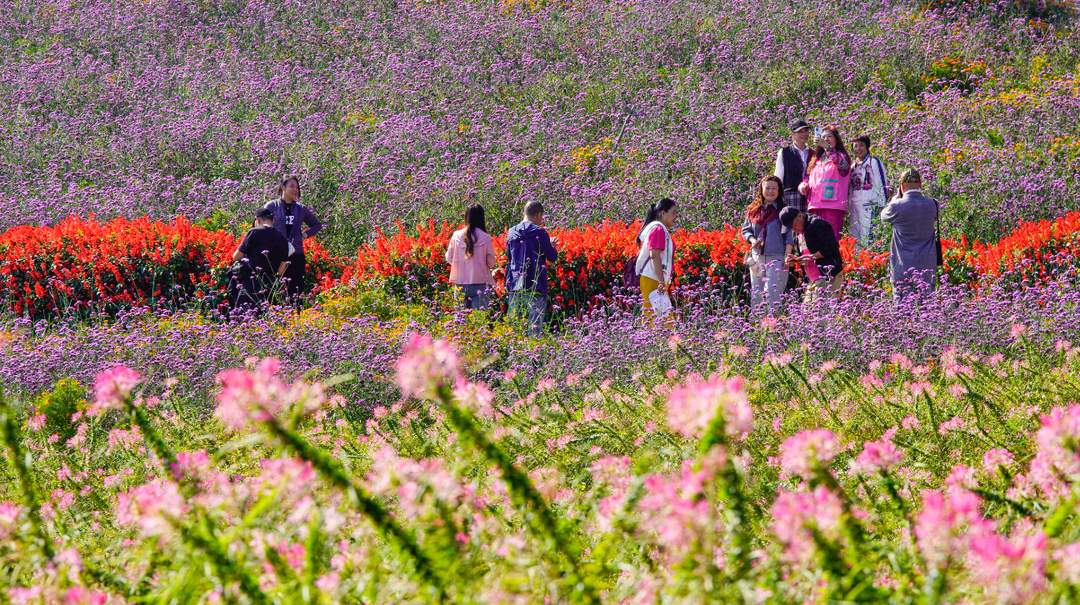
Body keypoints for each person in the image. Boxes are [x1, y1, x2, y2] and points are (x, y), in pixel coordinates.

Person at [880, 168, 939, 301]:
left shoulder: (896, 206)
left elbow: (883, 216)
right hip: (927, 265)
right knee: (928, 309)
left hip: (902, 265)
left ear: (901, 186)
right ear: (920, 184)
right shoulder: (934, 204)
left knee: (903, 310)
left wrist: (895, 199)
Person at [264, 177, 322, 301]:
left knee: (296, 291)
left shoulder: (301, 209)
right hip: (276, 255)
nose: (295, 190)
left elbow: (317, 225)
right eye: (291, 186)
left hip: (296, 255)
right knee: (272, 289)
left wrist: (304, 235)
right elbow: (259, 224)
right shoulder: (271, 206)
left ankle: (296, 316)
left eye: (297, 187)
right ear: (283, 187)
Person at [505, 201, 558, 336]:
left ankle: (513, 353)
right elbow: (551, 256)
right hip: (535, 285)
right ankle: (533, 354)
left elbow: (508, 256)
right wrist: (552, 246)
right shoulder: (539, 232)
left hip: (515, 285)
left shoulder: (511, 233)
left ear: (524, 213)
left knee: (514, 327)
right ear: (539, 214)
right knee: (535, 327)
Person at [741, 177, 793, 313]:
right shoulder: (753, 210)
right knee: (756, 295)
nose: (770, 191)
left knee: (772, 295)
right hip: (757, 258)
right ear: (761, 190)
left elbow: (789, 236)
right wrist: (752, 240)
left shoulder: (784, 210)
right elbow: (746, 230)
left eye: (774, 188)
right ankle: (757, 327)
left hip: (777, 257)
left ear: (779, 191)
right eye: (767, 188)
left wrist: (786, 257)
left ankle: (773, 327)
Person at [798, 125, 851, 241]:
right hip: (815, 205)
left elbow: (843, 167)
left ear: (836, 139)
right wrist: (803, 185)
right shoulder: (816, 159)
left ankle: (831, 260)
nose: (825, 139)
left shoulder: (842, 156)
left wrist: (827, 148)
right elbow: (807, 177)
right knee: (814, 240)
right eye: (823, 137)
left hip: (833, 206)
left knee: (830, 239)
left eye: (829, 136)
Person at [779, 207, 845, 300]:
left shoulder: (817, 224)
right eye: (790, 227)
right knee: (807, 313)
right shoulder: (796, 232)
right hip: (812, 279)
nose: (793, 229)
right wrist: (795, 259)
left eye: (793, 225)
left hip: (827, 275)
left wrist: (811, 257)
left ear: (800, 216)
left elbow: (831, 247)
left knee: (819, 312)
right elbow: (802, 253)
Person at [232, 208, 289, 311]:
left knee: (244, 317)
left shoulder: (253, 232)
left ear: (257, 220)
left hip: (250, 284)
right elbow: (281, 270)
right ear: (273, 221)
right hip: (270, 285)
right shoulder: (282, 237)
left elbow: (236, 257)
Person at [445, 204, 497, 310]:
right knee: (479, 321)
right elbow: (491, 263)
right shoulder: (486, 238)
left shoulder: (456, 236)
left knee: (460, 320)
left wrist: (461, 264)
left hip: (460, 283)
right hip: (480, 284)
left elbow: (449, 258)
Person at [633, 198, 677, 322]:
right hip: (654, 279)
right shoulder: (658, 229)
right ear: (663, 213)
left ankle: (662, 340)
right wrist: (661, 281)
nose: (675, 216)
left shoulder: (660, 229)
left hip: (655, 279)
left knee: (660, 317)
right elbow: (654, 256)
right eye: (673, 212)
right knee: (657, 318)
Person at [848, 134, 888, 250]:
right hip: (854, 207)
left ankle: (869, 263)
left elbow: (882, 183)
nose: (858, 149)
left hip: (870, 206)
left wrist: (882, 205)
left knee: (869, 237)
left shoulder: (873, 162)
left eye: (861, 145)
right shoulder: (852, 167)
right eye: (855, 146)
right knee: (855, 238)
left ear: (867, 147)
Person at [774, 119, 813, 213]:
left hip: (811, 196)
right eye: (800, 131)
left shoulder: (813, 153)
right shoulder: (784, 152)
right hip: (790, 195)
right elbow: (778, 177)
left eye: (806, 131)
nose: (804, 134)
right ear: (792, 134)